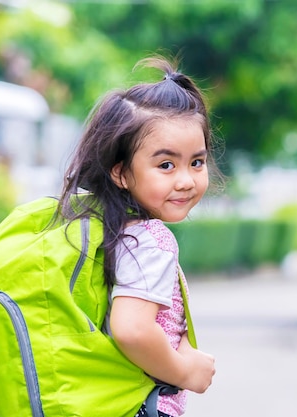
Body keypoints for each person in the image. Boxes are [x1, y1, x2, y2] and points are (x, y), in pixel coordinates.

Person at [57, 56, 217, 417]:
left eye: (197, 162)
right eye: (165, 165)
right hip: (143, 407)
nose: (186, 180)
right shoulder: (150, 239)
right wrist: (186, 371)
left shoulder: (101, 227)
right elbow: (131, 330)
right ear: (121, 173)